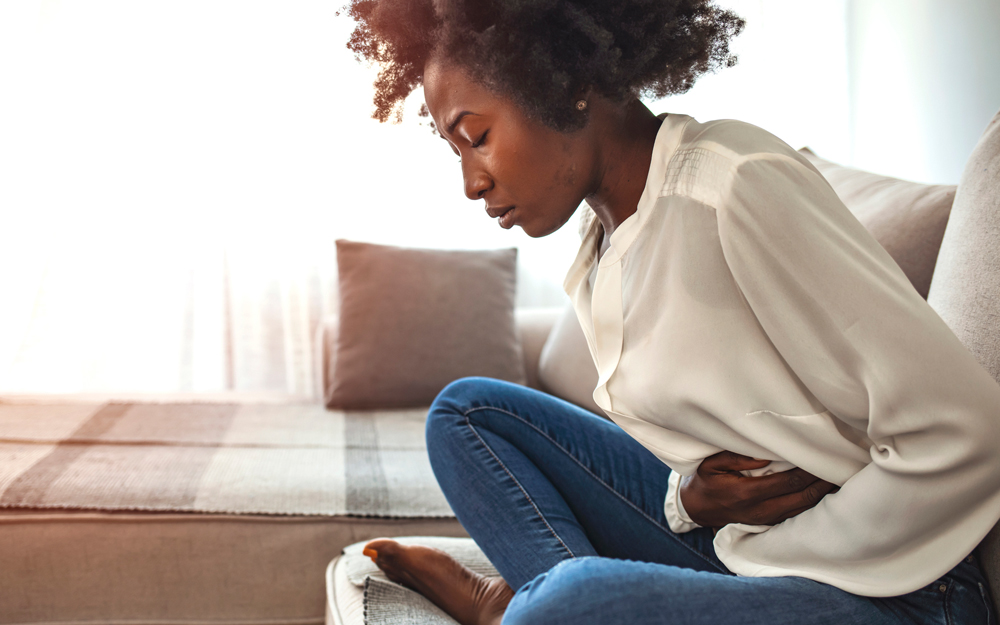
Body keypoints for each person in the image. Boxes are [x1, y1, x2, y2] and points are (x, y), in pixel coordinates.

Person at [343, 1, 1000, 623]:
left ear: (565, 80)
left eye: (476, 137)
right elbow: (704, 451)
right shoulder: (603, 241)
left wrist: (772, 554)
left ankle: (527, 609)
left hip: (902, 590)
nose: (471, 182)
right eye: (455, 151)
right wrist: (686, 501)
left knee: (570, 603)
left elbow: (966, 430)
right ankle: (530, 607)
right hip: (741, 545)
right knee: (465, 416)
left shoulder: (736, 187)